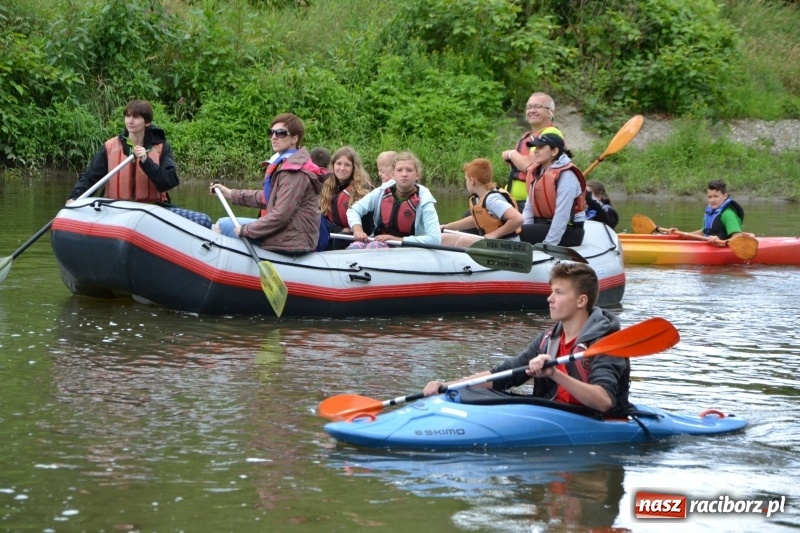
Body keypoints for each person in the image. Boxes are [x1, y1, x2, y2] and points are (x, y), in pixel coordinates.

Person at [423, 262, 629, 415]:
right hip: (555, 412)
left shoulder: (606, 342)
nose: (550, 298)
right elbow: (505, 374)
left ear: (581, 300)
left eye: (559, 292)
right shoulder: (549, 339)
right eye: (551, 291)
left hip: (592, 418)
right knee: (473, 394)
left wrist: (555, 374)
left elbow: (604, 401)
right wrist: (448, 385)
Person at [67, 99, 211, 228]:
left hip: (151, 210)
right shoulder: (110, 147)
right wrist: (75, 198)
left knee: (204, 221)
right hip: (116, 209)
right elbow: (90, 178)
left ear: (147, 122)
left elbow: (170, 181)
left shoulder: (161, 147)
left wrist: (146, 162)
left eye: (136, 117)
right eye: (128, 116)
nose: (130, 121)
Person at [211, 112, 325, 254]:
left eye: (281, 133)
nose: (274, 137)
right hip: (289, 231)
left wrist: (246, 230)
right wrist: (230, 193)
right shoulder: (287, 163)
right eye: (271, 133)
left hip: (292, 239)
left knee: (221, 225)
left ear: (294, 138)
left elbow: (280, 216)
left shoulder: (295, 173)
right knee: (223, 222)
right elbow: (268, 197)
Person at [346, 152, 441, 248]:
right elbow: (353, 210)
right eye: (399, 170)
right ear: (393, 174)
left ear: (417, 175)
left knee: (374, 246)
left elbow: (434, 239)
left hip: (409, 248)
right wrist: (358, 230)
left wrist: (397, 240)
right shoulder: (381, 192)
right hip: (380, 242)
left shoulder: (425, 200)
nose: (404, 174)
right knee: (354, 247)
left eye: (409, 170)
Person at [519, 128, 586, 247]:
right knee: (512, 230)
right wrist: (524, 230)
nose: (535, 151)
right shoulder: (537, 172)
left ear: (554, 151)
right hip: (543, 225)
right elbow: (529, 207)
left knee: (514, 233)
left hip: (569, 231)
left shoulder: (566, 176)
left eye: (541, 147)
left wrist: (549, 245)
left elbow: (562, 215)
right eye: (536, 148)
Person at [440, 158, 524, 248]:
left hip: (507, 244)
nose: (466, 183)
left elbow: (518, 219)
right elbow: (476, 220)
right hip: (493, 243)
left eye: (466, 180)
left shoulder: (492, 200)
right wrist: (446, 226)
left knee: (464, 241)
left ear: (472, 181)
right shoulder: (479, 198)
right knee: (443, 238)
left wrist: (494, 235)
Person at [501, 92, 558, 213]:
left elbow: (528, 166)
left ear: (550, 112)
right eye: (529, 107)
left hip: (530, 203)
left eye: (537, 107)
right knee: (474, 213)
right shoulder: (528, 136)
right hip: (512, 200)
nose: (532, 110)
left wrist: (510, 153)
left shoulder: (550, 133)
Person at [318, 146, 375, 249]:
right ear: (333, 165)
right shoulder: (325, 186)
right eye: (338, 164)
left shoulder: (364, 189)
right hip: (333, 233)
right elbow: (320, 218)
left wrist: (354, 230)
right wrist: (338, 230)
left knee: (340, 240)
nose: (342, 168)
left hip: (356, 238)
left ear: (354, 167)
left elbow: (369, 224)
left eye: (347, 165)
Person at [669, 179, 750, 246]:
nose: (712, 200)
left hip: (723, 248)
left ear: (725, 196)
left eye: (716, 196)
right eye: (710, 197)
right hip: (709, 245)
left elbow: (738, 237)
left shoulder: (728, 214)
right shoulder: (710, 212)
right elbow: (703, 233)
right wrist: (681, 234)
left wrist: (721, 243)